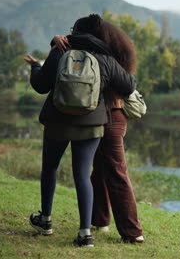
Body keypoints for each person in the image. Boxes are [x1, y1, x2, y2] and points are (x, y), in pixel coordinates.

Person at [24, 14, 136, 247]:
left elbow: (40, 85)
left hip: (57, 120)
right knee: (82, 175)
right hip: (92, 124)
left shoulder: (60, 51)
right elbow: (128, 86)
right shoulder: (105, 58)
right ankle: (85, 233)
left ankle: (45, 221)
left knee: (50, 169)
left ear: (76, 31)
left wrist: (36, 66)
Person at [52, 18, 144, 243]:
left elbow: (125, 85)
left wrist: (60, 41)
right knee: (101, 169)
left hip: (109, 115)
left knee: (115, 171)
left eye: (75, 31)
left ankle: (133, 233)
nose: (71, 34)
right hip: (113, 116)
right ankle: (100, 219)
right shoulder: (112, 52)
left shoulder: (100, 56)